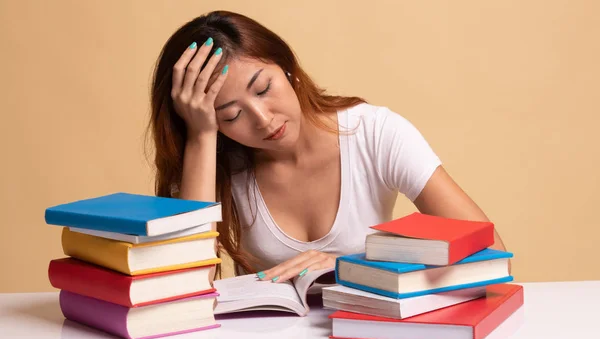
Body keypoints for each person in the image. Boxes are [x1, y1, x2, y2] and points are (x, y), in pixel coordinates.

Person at [146, 10, 508, 284]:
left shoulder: (373, 133)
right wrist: (201, 137)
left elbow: (491, 253)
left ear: (288, 69)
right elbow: (184, 290)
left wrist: (349, 265)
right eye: (231, 114)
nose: (262, 118)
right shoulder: (214, 162)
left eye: (263, 89)